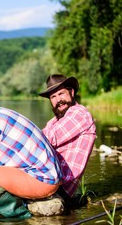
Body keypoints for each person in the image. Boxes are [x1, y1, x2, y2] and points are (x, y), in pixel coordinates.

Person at [39, 74, 96, 202]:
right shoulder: (54, 121)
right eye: (53, 96)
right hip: (47, 180)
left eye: (61, 94)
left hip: (59, 187)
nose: (58, 99)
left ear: (71, 92)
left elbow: (46, 139)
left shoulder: (79, 113)